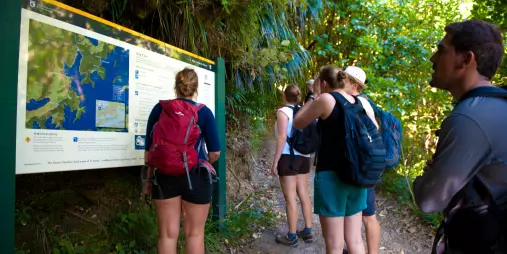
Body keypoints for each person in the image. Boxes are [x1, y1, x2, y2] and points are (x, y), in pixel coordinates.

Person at [413, 19, 507, 253]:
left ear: (466, 59)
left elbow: (428, 200)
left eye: (441, 50)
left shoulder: (470, 117)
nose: (432, 59)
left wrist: (425, 178)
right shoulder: (498, 106)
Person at [293, 66, 379, 254]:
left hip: (332, 178)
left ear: (323, 83)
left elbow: (298, 121)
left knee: (334, 245)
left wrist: (314, 94)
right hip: (358, 175)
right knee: (355, 240)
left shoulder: (326, 99)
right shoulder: (360, 102)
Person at [143, 68, 221, 254]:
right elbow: (215, 153)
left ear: (175, 87)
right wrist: (201, 161)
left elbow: (148, 156)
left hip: (164, 176)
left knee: (166, 236)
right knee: (194, 234)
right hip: (197, 176)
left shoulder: (159, 109)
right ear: (196, 88)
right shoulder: (204, 113)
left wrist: (148, 180)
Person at [342, 66, 381, 254]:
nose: (342, 80)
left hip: (360, 166)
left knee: (367, 215)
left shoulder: (358, 103)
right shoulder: (362, 103)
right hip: (363, 165)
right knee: (361, 214)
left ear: (354, 83)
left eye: (345, 78)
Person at [271, 84, 314, 247]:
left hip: (288, 157)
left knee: (290, 197)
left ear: (284, 96)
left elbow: (282, 138)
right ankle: (308, 232)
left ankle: (292, 236)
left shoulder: (283, 112)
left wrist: (275, 162)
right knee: (303, 193)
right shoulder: (305, 111)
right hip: (304, 157)